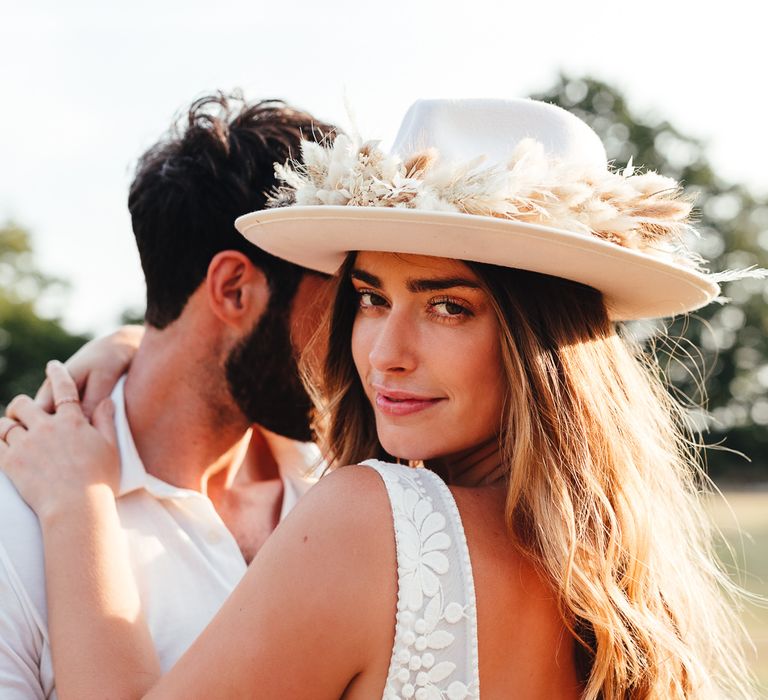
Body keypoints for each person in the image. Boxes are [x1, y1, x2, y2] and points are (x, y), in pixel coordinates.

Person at [0, 98, 760, 698]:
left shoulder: (369, 519)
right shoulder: (614, 567)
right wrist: (136, 345)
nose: (383, 355)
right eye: (369, 298)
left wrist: (78, 508)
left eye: (447, 307)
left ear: (540, 347)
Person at [0, 92, 338, 698]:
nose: (361, 346)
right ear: (233, 289)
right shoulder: (13, 524)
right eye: (340, 304)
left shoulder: (341, 487)